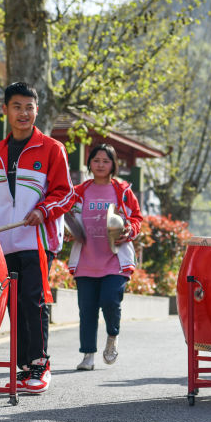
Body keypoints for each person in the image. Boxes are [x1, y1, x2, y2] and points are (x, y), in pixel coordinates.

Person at [0, 82, 76, 394]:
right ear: (5, 110)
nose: (24, 113)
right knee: (13, 305)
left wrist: (44, 211)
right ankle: (23, 368)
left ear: (37, 111)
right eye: (17, 106)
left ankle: (40, 364)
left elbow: (65, 194)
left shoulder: (52, 149)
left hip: (39, 241)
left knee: (34, 299)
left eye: (29, 107)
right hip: (4, 243)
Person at [67, 144, 144, 371]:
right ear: (89, 163)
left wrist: (130, 230)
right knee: (87, 308)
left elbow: (136, 218)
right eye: (96, 160)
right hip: (86, 259)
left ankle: (112, 335)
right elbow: (68, 219)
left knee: (110, 300)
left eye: (106, 161)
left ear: (113, 165)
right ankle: (88, 354)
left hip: (115, 259)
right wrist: (69, 232)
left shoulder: (122, 191)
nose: (100, 164)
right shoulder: (79, 191)